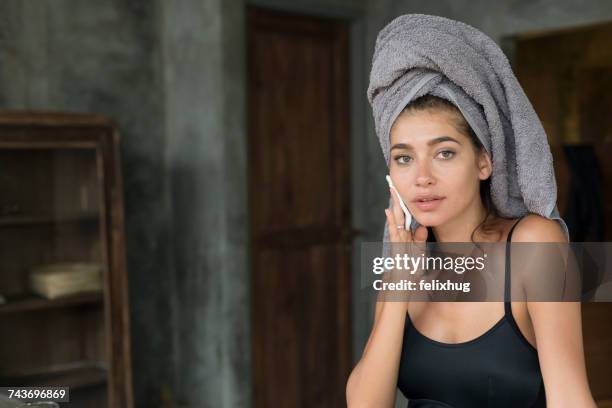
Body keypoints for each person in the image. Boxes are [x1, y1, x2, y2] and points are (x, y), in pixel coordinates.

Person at [345, 94, 597, 407]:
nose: (422, 178)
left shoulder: (534, 244)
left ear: (483, 162)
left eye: (444, 153)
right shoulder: (402, 264)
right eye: (404, 158)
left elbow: (570, 398)